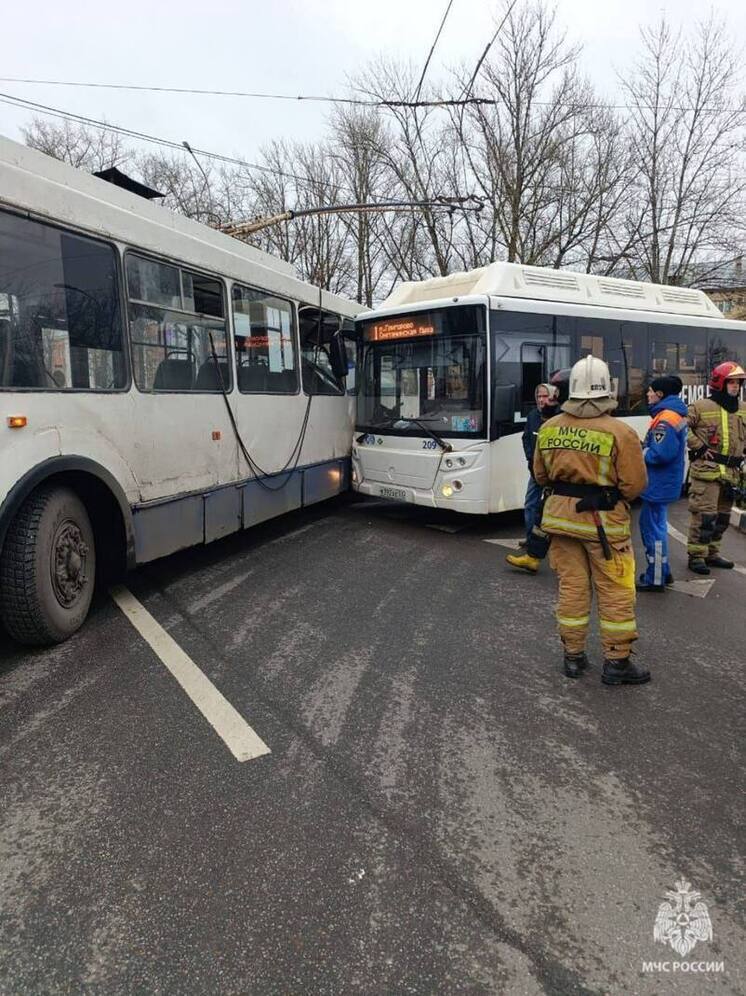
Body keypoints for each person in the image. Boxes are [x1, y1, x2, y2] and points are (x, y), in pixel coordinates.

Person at [532, 355, 650, 685]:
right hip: (603, 527)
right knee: (615, 591)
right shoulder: (620, 432)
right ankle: (617, 663)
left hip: (559, 521)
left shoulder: (549, 427)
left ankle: (573, 657)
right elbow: (634, 485)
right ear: (606, 388)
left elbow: (540, 476)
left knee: (572, 589)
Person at [686, 362, 746, 575]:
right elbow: (679, 427)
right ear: (720, 382)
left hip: (731, 474)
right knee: (705, 516)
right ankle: (696, 556)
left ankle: (712, 553)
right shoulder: (701, 406)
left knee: (722, 518)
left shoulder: (742, 408)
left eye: (738, 382)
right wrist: (699, 446)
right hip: (707, 473)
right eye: (731, 382)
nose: (736, 386)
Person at [636, 375, 688, 591]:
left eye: (650, 391)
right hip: (664, 482)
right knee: (654, 526)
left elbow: (660, 454)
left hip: (658, 483)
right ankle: (662, 571)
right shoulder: (673, 414)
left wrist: (640, 452)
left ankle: (655, 577)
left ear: (660, 394)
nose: (647, 394)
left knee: (652, 530)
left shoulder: (665, 419)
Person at [506, 383, 560, 573]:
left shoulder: (561, 417)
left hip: (556, 474)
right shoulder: (533, 416)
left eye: (545, 396)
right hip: (537, 472)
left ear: (553, 397)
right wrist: (531, 460)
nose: (541, 399)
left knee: (554, 510)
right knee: (531, 505)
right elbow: (526, 439)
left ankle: (554, 547)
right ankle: (532, 542)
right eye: (538, 396)